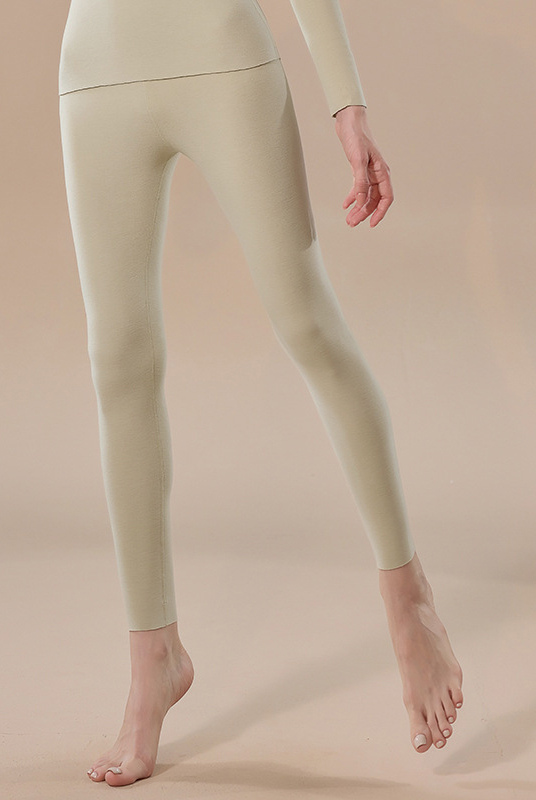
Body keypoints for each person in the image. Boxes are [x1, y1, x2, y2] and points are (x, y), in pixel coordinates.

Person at [57, 0, 463, 786]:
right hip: (96, 66)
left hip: (222, 57)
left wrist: (346, 102)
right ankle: (154, 657)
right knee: (118, 360)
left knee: (309, 325)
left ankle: (408, 597)